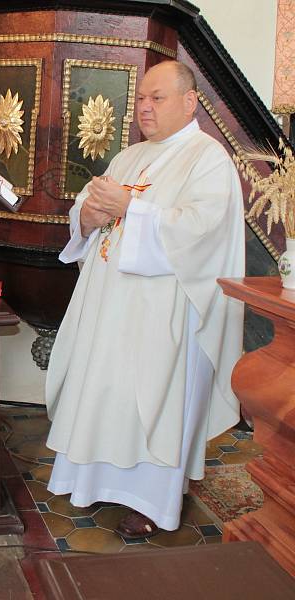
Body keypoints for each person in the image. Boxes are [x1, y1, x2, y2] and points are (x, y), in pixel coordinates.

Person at [44, 60, 245, 539]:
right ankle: (98, 482)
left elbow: (201, 230)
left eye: (157, 98)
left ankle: (154, 501)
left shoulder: (208, 158)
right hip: (111, 306)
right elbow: (89, 215)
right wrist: (87, 217)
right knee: (108, 395)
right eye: (140, 99)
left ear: (189, 101)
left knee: (154, 403)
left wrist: (131, 209)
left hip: (165, 313)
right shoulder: (128, 157)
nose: (145, 108)